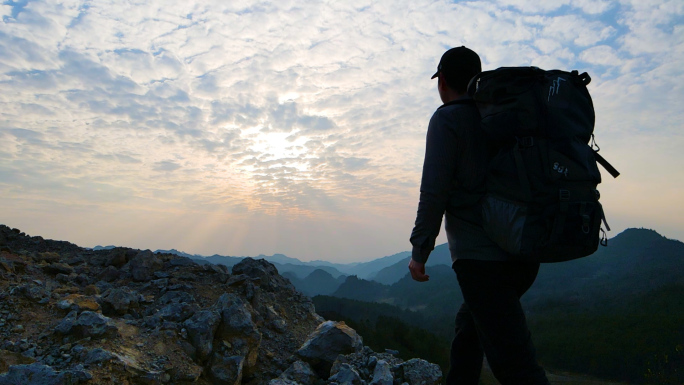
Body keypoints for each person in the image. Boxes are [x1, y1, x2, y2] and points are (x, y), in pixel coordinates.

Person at [408, 46, 550, 385]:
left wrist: (419, 251)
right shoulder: (503, 116)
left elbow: (434, 192)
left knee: (516, 367)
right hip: (525, 253)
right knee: (469, 332)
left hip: (483, 262)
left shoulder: (447, 119)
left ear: (442, 81)